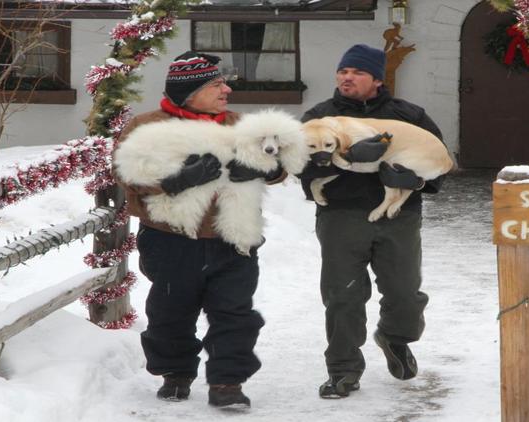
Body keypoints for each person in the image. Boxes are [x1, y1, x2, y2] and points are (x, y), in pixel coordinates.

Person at [114, 51, 283, 409]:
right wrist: (176, 181)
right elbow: (129, 175)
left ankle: (227, 382)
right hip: (171, 239)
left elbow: (280, 160)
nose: (226, 89)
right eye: (216, 83)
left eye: (224, 81)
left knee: (235, 313)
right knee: (171, 311)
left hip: (234, 239)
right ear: (189, 91)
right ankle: (175, 373)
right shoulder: (146, 127)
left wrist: (264, 170)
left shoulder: (240, 125)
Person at [298, 44, 445, 399]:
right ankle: (343, 370)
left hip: (399, 217)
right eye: (343, 71)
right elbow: (300, 169)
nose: (347, 77)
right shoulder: (320, 116)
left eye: (358, 72)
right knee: (342, 295)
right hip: (341, 216)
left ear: (377, 79)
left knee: (405, 292)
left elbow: (437, 161)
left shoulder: (408, 115)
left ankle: (394, 337)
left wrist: (418, 182)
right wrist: (336, 162)